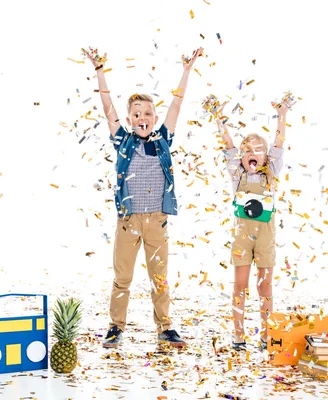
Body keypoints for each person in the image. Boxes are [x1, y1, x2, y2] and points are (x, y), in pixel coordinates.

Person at [83, 46, 203, 348]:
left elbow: (177, 105)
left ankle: (165, 327)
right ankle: (116, 327)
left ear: (154, 116)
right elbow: (107, 106)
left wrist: (186, 70)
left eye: (148, 113)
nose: (142, 117)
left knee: (159, 278)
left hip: (157, 221)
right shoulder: (122, 140)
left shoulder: (163, 140)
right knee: (122, 277)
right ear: (129, 119)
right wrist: (99, 69)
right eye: (136, 114)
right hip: (128, 220)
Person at [215, 94, 294, 351]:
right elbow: (226, 143)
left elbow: (279, 143)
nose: (253, 153)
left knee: (265, 284)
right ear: (240, 156)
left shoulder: (271, 171)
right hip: (242, 236)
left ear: (265, 156)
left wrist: (282, 115)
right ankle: (238, 335)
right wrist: (219, 117)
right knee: (240, 284)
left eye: (259, 150)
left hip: (266, 236)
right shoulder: (236, 172)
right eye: (247, 149)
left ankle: (266, 333)